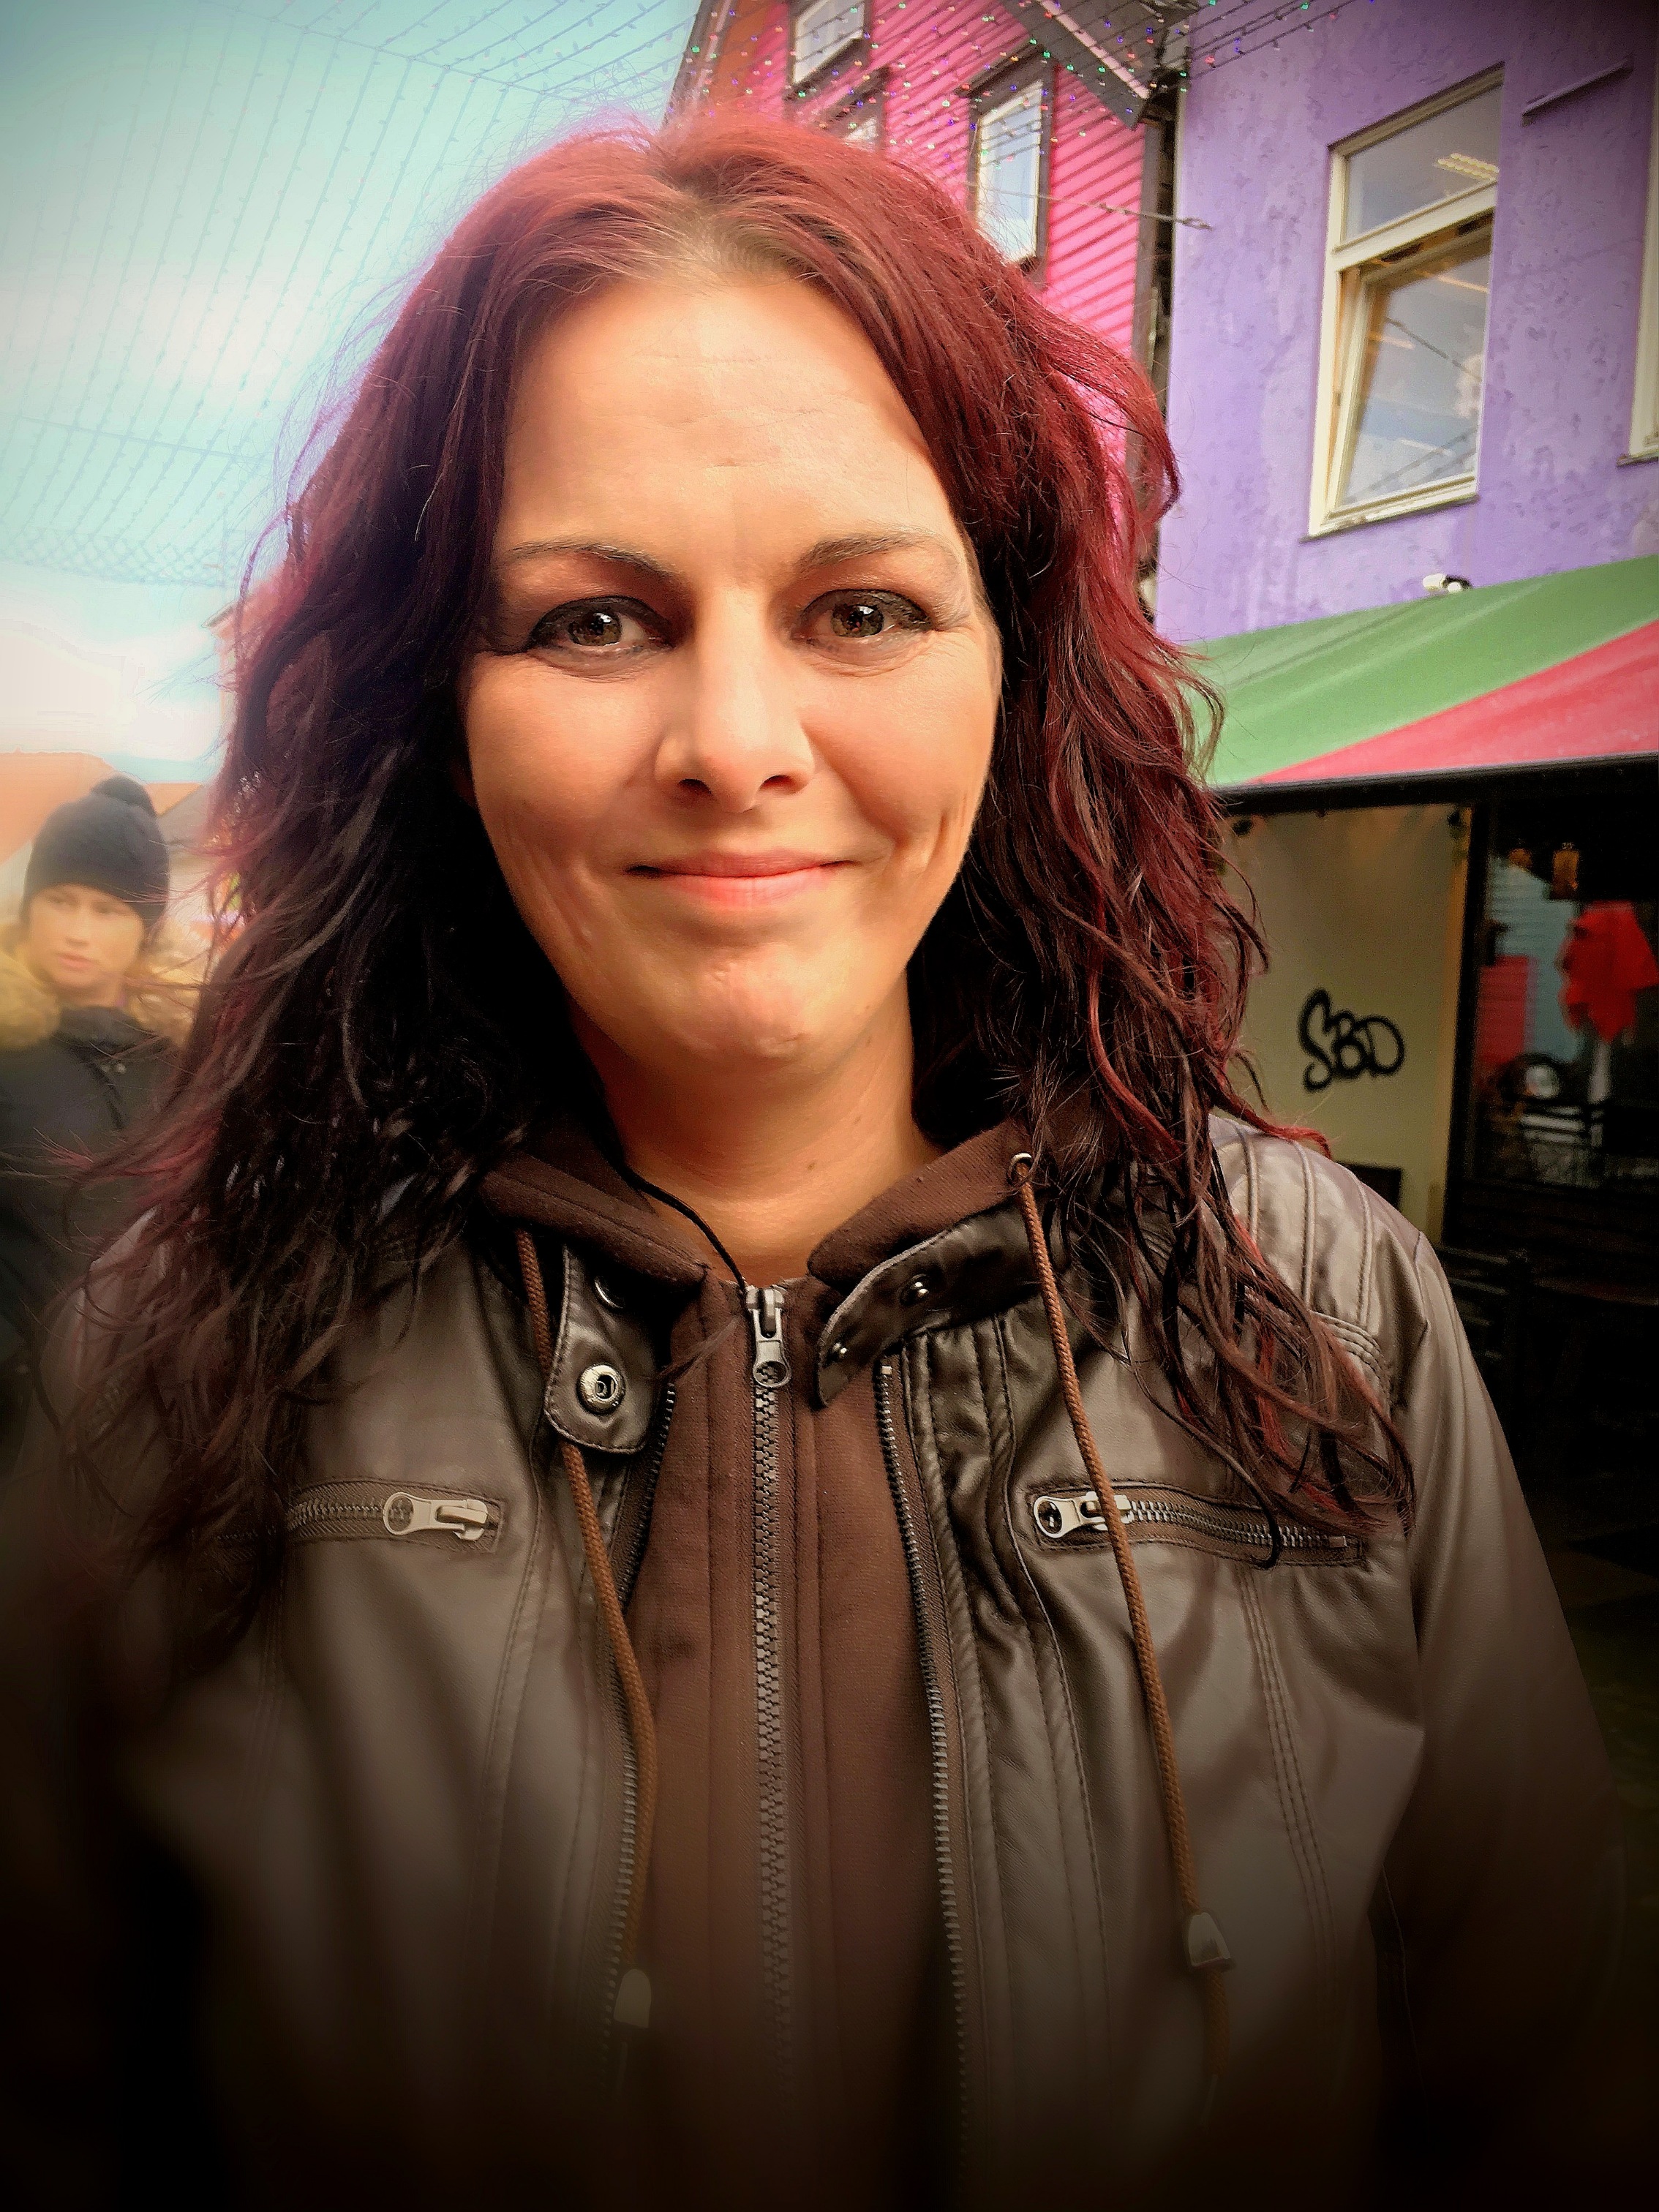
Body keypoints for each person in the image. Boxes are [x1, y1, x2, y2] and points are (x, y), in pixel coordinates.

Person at [0, 119, 1619, 2212]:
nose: (737, 743)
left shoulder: (1318, 1305)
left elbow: (1546, 2094)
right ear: (436, 705)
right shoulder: (184, 1354)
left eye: (861, 606)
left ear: (1012, 670)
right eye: (596, 620)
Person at [0, 776, 191, 1471]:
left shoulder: (189, 1056)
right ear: (31, 906)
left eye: (107, 910)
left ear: (146, 927)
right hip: (22, 1422)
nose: (78, 931)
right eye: (61, 901)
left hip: (159, 1415)